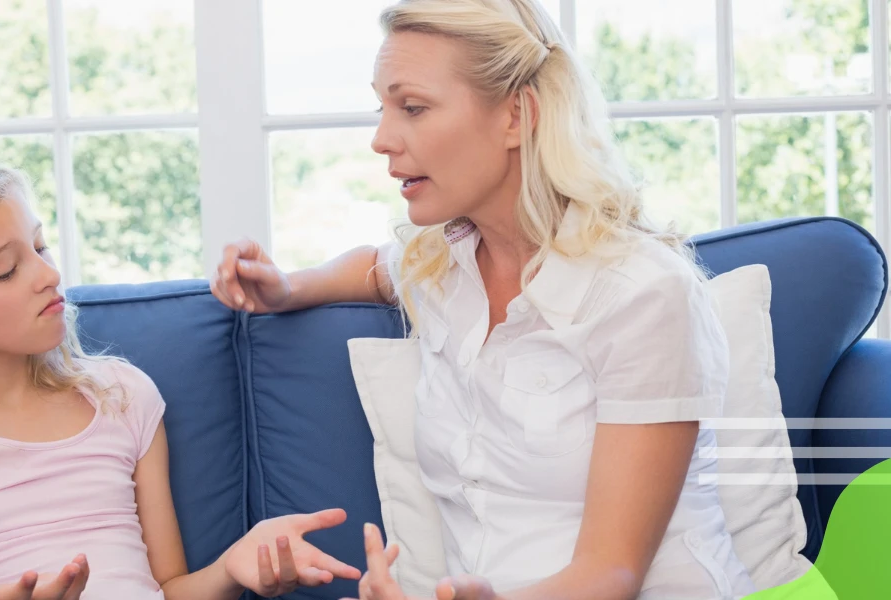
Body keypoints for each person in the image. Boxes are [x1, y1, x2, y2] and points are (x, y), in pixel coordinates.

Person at [210, 0, 755, 598]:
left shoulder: (644, 295)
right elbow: (375, 266)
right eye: (383, 107)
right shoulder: (443, 260)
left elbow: (611, 573)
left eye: (412, 107)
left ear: (517, 116)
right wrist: (288, 289)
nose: (381, 139)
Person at [0, 160, 361, 600]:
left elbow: (167, 587)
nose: (48, 275)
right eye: (6, 271)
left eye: (41, 248)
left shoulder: (120, 396)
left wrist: (233, 565)